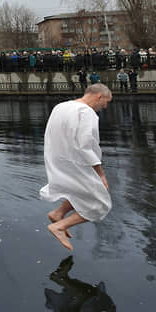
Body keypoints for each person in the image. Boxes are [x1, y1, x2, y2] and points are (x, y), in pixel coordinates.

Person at [40, 84, 113, 250]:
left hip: (59, 160)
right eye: (106, 102)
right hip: (78, 161)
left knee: (81, 192)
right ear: (99, 96)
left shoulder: (61, 106)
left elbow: (50, 134)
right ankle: (60, 226)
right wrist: (100, 174)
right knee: (101, 203)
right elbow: (86, 145)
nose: (105, 107)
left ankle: (58, 213)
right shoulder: (87, 113)